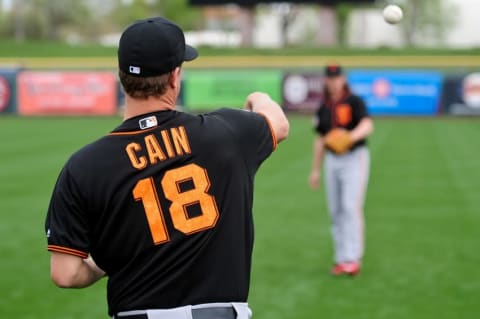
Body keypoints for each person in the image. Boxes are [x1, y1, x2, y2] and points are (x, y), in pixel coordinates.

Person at [45, 16, 289, 319]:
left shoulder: (83, 165)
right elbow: (278, 124)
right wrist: (259, 97)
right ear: (174, 77)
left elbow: (65, 274)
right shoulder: (227, 132)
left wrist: (101, 264)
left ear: (121, 77)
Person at [309, 65, 373, 276]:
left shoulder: (354, 101)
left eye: (337, 78)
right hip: (332, 160)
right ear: (326, 80)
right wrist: (315, 169)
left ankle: (353, 258)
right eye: (330, 78)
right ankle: (341, 258)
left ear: (343, 79)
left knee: (350, 207)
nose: (333, 81)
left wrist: (350, 137)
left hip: (354, 158)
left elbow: (367, 125)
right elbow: (320, 139)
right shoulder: (324, 106)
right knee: (336, 210)